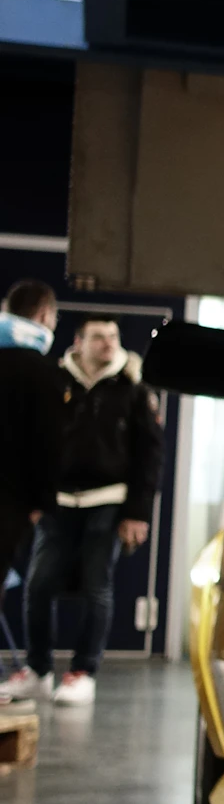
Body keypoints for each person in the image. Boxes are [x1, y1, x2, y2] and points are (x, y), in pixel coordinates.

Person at [15, 317, 163, 707]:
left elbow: (150, 455)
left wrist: (138, 513)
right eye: (99, 337)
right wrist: (32, 498)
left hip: (109, 502)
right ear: (79, 342)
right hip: (58, 502)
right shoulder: (54, 381)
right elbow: (34, 440)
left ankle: (83, 671)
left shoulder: (132, 389)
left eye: (114, 337)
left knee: (97, 587)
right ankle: (37, 670)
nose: (108, 344)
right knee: (38, 584)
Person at [0, 278, 60, 690]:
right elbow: (46, 442)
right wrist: (40, 501)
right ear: (42, 316)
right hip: (9, 501)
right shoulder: (40, 372)